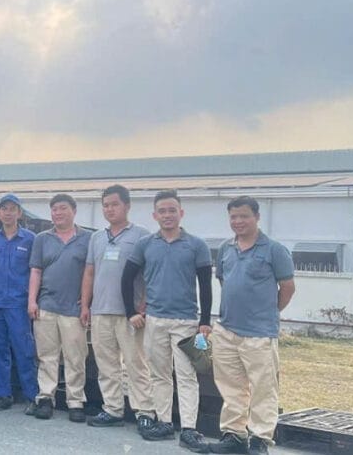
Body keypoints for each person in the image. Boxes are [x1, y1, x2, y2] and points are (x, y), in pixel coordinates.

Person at [121, 190, 213, 452]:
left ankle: (189, 429)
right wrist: (131, 312)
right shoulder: (145, 244)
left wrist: (205, 320)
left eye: (172, 210)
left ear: (181, 213)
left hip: (186, 321)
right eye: (162, 211)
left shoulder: (196, 245)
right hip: (155, 320)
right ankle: (164, 422)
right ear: (155, 215)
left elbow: (205, 285)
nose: (167, 215)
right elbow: (127, 277)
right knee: (159, 374)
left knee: (187, 376)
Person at [208, 197, 295, 455]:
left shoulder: (274, 250)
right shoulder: (225, 248)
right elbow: (224, 281)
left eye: (244, 216)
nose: (238, 221)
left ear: (257, 217)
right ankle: (234, 435)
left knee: (263, 389)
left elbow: (288, 288)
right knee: (231, 387)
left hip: (259, 333)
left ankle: (259, 440)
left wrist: (269, 312)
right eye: (233, 217)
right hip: (226, 330)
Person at [81, 185, 155, 430]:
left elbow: (150, 273)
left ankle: (145, 411)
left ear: (127, 206)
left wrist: (144, 303)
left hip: (129, 313)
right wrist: (86, 305)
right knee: (106, 365)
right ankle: (112, 409)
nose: (109, 209)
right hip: (100, 310)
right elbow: (89, 272)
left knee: (136, 363)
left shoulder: (142, 235)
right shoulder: (96, 238)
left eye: (114, 204)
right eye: (105, 205)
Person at [28, 193, 92, 422]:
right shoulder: (42, 239)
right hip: (46, 305)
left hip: (74, 309)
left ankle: (75, 401)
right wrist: (32, 301)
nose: (58, 213)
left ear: (74, 211)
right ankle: (46, 398)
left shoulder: (87, 239)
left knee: (76, 357)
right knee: (47, 356)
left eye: (63, 208)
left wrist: (87, 303)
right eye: (54, 209)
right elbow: (36, 271)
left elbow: (90, 272)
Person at [0, 193, 37, 413]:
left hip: (19, 306)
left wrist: (32, 301)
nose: (8, 213)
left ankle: (32, 397)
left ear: (19, 213)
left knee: (24, 351)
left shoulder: (30, 240)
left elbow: (36, 272)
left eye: (13, 209)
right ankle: (3, 395)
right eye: (4, 209)